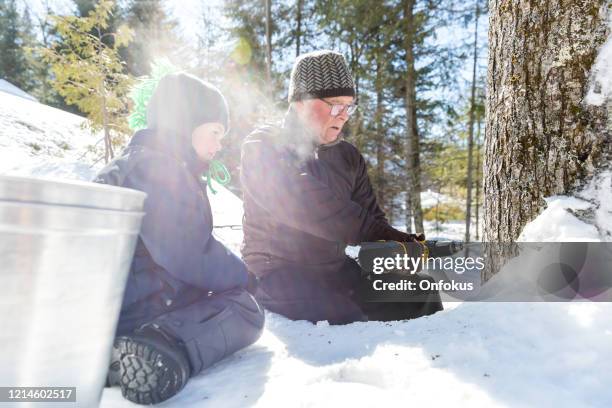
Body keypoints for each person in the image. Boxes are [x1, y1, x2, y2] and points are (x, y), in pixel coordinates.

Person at [95, 73, 264, 405]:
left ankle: (126, 353)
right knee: (245, 309)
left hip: (116, 308)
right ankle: (160, 347)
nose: (218, 145)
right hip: (140, 312)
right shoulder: (159, 169)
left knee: (227, 297)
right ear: (185, 123)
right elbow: (188, 252)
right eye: (215, 132)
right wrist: (244, 276)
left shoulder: (137, 164)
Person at [240, 50, 443, 325]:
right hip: (278, 274)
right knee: (351, 317)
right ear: (300, 101)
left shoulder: (347, 156)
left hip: (333, 270)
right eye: (335, 104)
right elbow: (307, 205)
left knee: (420, 293)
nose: (344, 115)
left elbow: (370, 217)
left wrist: (397, 248)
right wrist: (381, 233)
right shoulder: (262, 145)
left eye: (349, 106)